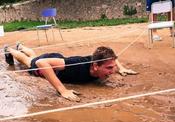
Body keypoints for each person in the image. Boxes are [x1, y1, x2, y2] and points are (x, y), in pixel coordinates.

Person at [4, 43, 137, 101]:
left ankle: (21, 46)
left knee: (34, 56)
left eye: (113, 67)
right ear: (96, 66)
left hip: (57, 59)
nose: (113, 71)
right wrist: (62, 90)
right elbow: (41, 63)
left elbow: (111, 56)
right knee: (29, 61)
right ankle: (10, 49)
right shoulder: (77, 64)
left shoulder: (101, 60)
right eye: (109, 68)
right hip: (50, 63)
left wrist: (122, 68)